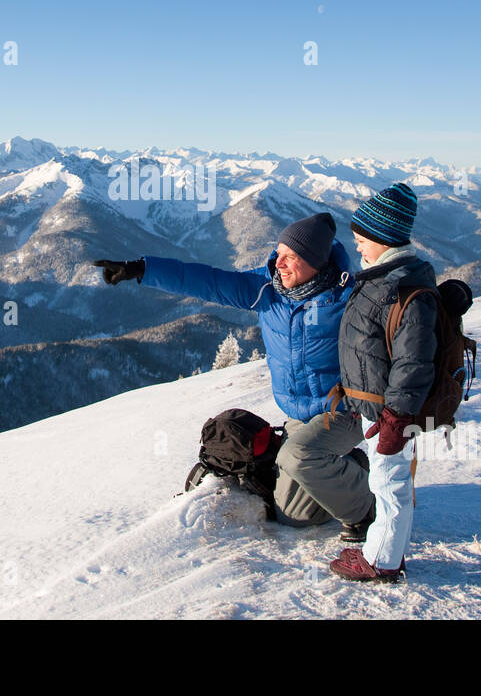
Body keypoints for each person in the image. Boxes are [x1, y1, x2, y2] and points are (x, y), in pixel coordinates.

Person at [93, 212, 375, 537]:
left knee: (299, 457)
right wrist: (143, 269)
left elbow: (398, 317)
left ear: (317, 262)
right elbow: (209, 281)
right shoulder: (265, 290)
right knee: (294, 516)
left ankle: (365, 510)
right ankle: (351, 466)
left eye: (291, 257)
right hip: (299, 416)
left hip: (344, 413)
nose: (278, 263)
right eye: (279, 252)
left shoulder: (348, 300)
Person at [328, 182, 439, 583]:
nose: (357, 247)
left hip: (390, 412)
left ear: (384, 238)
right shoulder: (385, 277)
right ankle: (382, 549)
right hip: (377, 407)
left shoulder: (403, 288)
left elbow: (414, 363)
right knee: (384, 480)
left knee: (390, 483)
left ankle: (382, 562)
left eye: (362, 241)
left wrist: (396, 418)